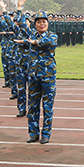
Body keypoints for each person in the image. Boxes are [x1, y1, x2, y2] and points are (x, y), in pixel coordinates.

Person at [23, 10, 58, 144]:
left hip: (47, 76)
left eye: (44, 22)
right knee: (33, 106)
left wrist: (36, 42)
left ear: (48, 23)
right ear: (35, 24)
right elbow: (19, 25)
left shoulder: (52, 36)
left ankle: (46, 134)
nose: (41, 24)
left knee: (47, 106)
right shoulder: (31, 34)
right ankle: (33, 133)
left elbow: (47, 43)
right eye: (38, 22)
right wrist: (20, 9)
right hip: (33, 76)